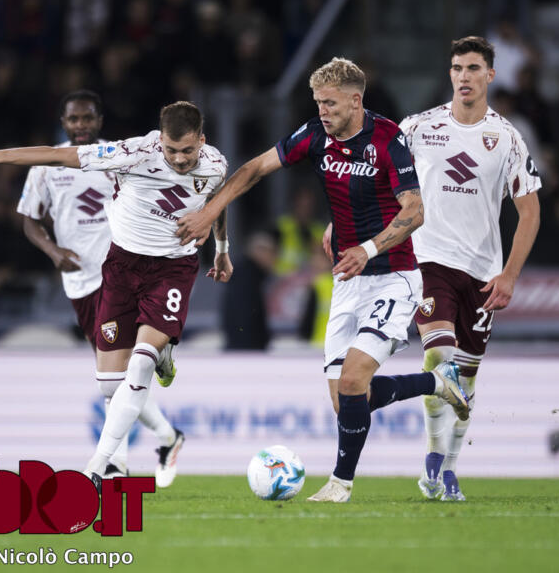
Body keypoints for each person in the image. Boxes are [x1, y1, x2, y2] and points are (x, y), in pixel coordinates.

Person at [175, 57, 470, 502]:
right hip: (348, 283)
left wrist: (367, 248)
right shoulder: (314, 135)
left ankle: (339, 484)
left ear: (355, 100)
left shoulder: (388, 139)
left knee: (353, 383)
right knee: (348, 400)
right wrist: (210, 211)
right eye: (317, 102)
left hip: (393, 276)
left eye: (330, 103)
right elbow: (254, 169)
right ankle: (437, 383)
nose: (322, 111)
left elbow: (414, 211)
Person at [0, 101, 232, 489]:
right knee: (109, 385)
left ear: (201, 142)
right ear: (160, 140)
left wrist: (222, 248)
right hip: (122, 267)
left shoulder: (215, 164)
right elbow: (55, 155)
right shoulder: (133, 153)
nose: (179, 159)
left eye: (187, 151)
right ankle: (166, 432)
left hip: (172, 269)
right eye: (171, 150)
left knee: (139, 366)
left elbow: (217, 201)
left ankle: (99, 467)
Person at [399, 36, 541, 501]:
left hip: (483, 272)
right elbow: (379, 177)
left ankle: (449, 469)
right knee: (438, 357)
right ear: (450, 74)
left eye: (474, 68)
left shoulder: (507, 138)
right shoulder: (418, 128)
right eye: (458, 67)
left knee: (467, 378)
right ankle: (431, 456)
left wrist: (510, 275)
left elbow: (530, 211)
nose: (464, 76)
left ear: (490, 76)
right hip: (429, 260)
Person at [15, 89, 182, 481]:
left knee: (115, 373)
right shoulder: (46, 166)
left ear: (99, 121)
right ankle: (168, 436)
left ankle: (115, 463)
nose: (81, 125)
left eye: (87, 118)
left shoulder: (119, 157)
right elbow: (29, 220)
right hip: (80, 282)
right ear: (63, 123)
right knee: (117, 376)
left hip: (121, 273)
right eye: (73, 119)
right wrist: (52, 250)